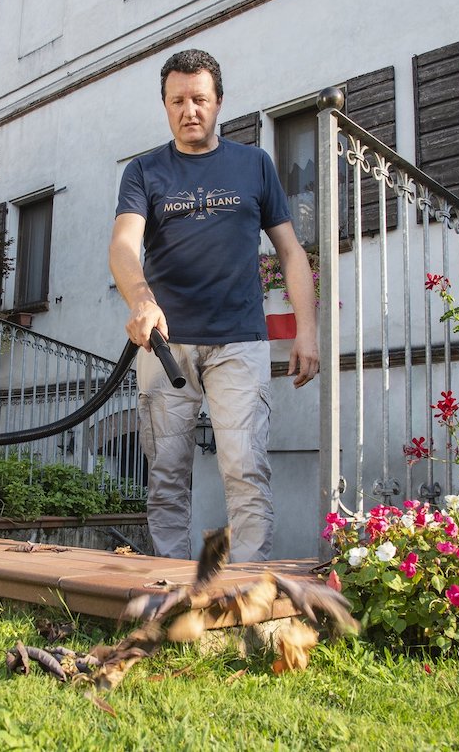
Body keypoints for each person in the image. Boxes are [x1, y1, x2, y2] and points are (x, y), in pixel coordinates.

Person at [108, 49, 319, 562]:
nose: (189, 110)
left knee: (245, 470)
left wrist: (307, 332)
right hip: (165, 346)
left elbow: (291, 252)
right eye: (177, 100)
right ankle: (172, 591)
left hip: (239, 341)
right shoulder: (144, 171)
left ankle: (245, 593)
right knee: (166, 476)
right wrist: (141, 299)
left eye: (199, 99)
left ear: (219, 102)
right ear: (165, 105)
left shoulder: (254, 165)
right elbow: (122, 246)